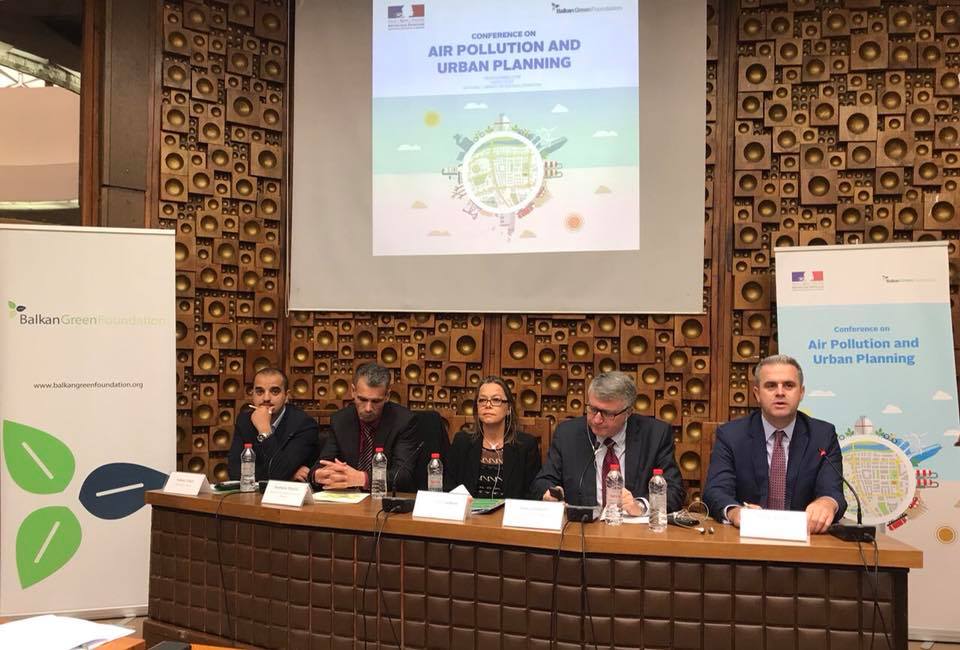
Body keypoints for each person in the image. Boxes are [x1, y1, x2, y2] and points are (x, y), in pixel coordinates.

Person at [702, 354, 846, 534]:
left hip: (806, 538)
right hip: (747, 537)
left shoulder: (822, 436)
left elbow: (833, 491)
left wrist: (827, 503)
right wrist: (735, 512)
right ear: (757, 394)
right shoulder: (731, 435)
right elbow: (716, 491)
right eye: (771, 385)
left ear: (801, 392)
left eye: (788, 385)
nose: (780, 392)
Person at [531, 370, 685, 515]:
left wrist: (640, 505)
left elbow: (674, 491)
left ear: (628, 412)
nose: (597, 420)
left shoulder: (655, 435)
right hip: (582, 528)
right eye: (593, 409)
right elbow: (542, 481)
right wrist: (549, 493)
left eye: (607, 413)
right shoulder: (567, 434)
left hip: (634, 529)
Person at [309, 362, 419, 492]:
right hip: (349, 498)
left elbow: (403, 476)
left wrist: (363, 478)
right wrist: (317, 476)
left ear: (387, 396)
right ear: (353, 391)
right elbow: (322, 464)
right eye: (362, 399)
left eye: (376, 401)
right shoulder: (340, 420)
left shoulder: (404, 421)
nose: (368, 408)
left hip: (385, 498)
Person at [443, 376, 541, 498]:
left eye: (496, 400)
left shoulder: (526, 445)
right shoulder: (462, 442)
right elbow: (449, 486)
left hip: (508, 510)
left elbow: (532, 493)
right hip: (470, 509)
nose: (488, 405)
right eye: (482, 400)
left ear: (508, 408)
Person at [227, 367, 320, 482]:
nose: (266, 398)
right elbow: (234, 472)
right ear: (252, 394)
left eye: (274, 391)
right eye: (260, 392)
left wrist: (265, 430)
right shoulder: (244, 420)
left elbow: (279, 472)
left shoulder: (304, 424)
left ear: (286, 396)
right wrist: (289, 475)